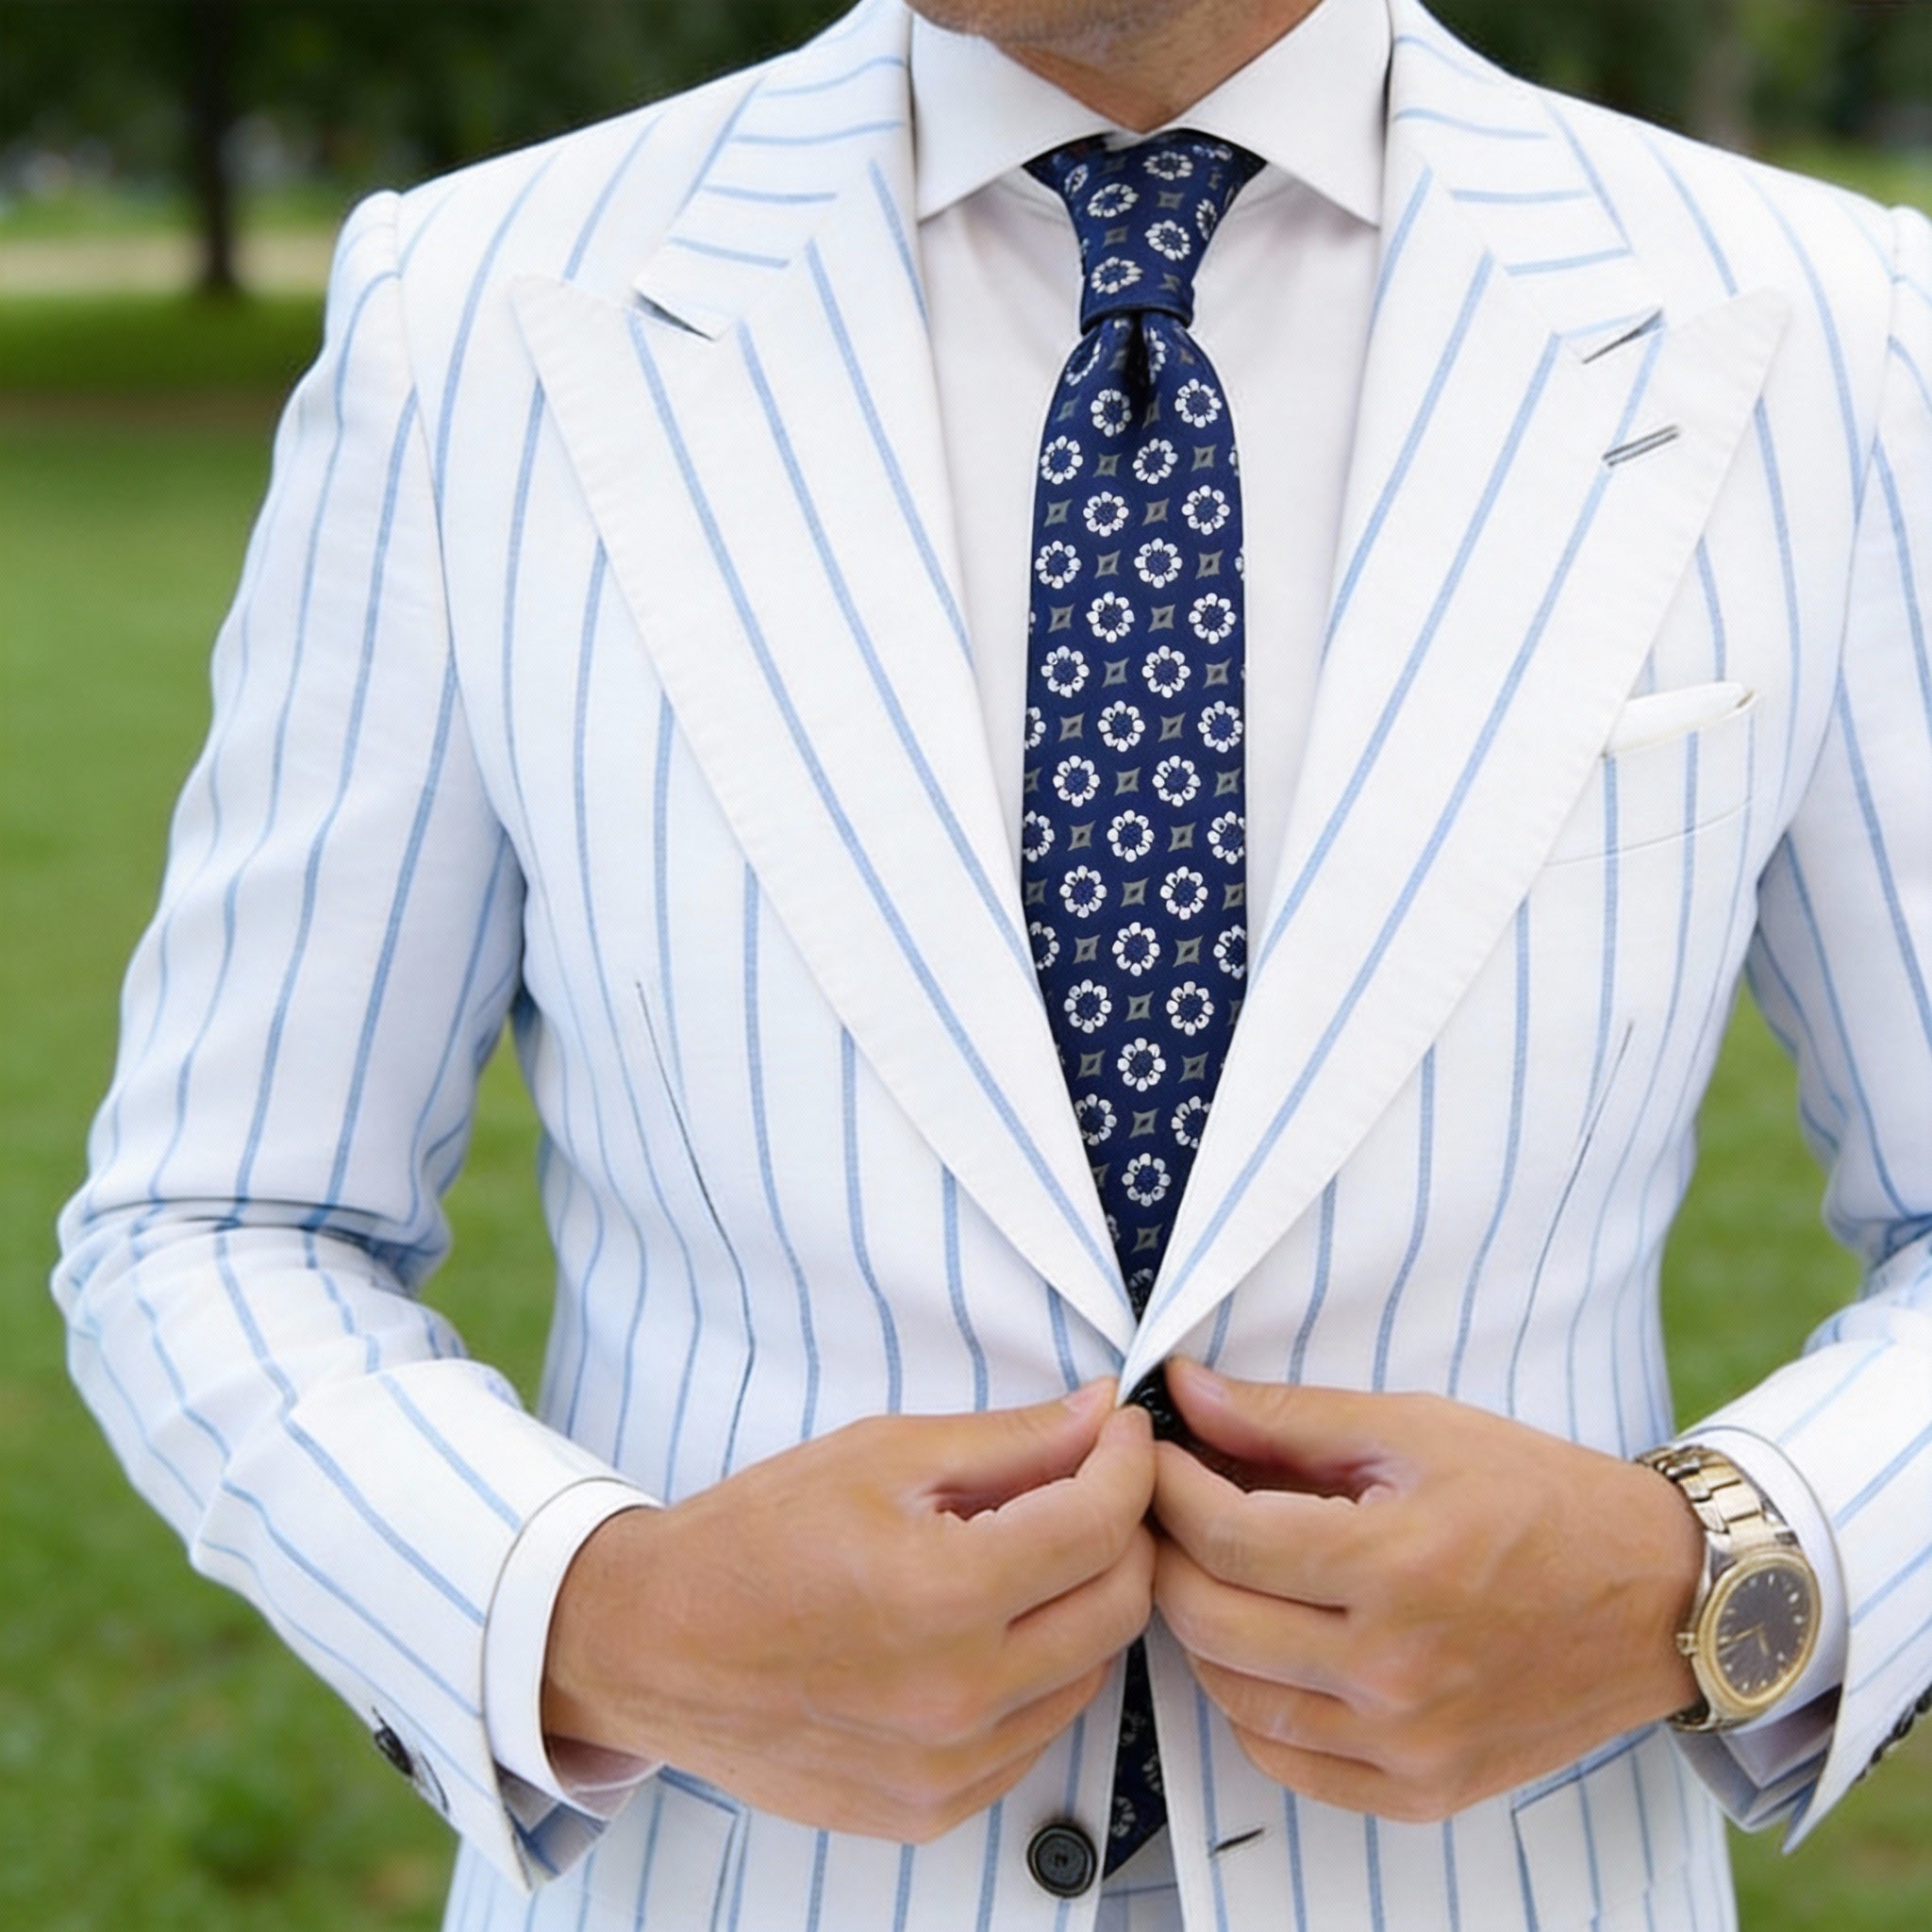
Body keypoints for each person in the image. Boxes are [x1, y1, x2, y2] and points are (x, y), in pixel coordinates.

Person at [52, 0, 1932, 1924]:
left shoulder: (1820, 323)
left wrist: (1707, 1577)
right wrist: (597, 1617)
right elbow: (218, 1220)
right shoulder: (473, 311)